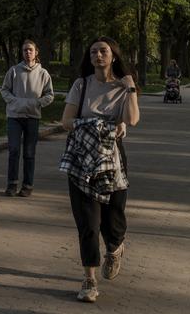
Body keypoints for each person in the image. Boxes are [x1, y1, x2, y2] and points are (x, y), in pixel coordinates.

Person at [60, 37, 140, 303]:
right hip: (82, 159)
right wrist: (95, 125)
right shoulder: (81, 85)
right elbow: (66, 121)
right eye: (93, 51)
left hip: (113, 159)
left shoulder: (122, 87)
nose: (98, 55)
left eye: (103, 51)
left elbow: (132, 119)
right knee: (88, 223)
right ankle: (89, 279)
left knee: (113, 219)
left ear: (113, 55)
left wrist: (130, 89)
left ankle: (115, 248)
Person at [0, 39, 54, 197]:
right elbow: (4, 90)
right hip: (14, 117)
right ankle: (11, 184)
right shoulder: (14, 71)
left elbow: (50, 95)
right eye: (25, 50)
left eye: (30, 50)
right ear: (22, 52)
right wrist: (15, 102)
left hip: (32, 117)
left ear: (36, 52)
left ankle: (27, 185)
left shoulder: (43, 73)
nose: (27, 52)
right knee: (14, 150)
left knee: (29, 153)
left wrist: (37, 103)